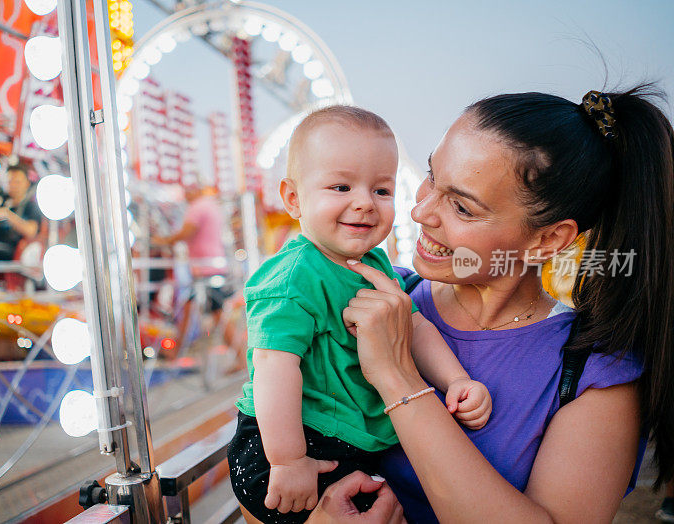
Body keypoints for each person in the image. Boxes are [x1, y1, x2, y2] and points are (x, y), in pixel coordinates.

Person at [308, 86, 674, 522]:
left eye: (461, 207)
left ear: (547, 240)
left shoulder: (595, 374)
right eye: (431, 175)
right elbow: (261, 472)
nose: (421, 211)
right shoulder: (373, 298)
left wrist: (397, 377)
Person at [229, 106, 492, 523]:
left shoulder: (376, 264)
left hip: (347, 441)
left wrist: (455, 379)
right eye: (340, 186)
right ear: (293, 198)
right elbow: (273, 368)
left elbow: (412, 325)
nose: (365, 203)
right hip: (292, 440)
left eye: (382, 191)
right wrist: (288, 460)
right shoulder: (293, 278)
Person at [152, 185, 229, 348]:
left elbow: (188, 231)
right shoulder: (210, 205)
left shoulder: (198, 207)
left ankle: (178, 350)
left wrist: (164, 240)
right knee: (200, 309)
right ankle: (179, 350)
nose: (184, 194)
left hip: (205, 268)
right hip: (210, 265)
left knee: (216, 313)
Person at [0, 163, 42, 262]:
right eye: (10, 181)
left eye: (17, 182)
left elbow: (31, 231)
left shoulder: (31, 206)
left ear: (27, 183)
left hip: (12, 252)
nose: (13, 185)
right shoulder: (1, 200)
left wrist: (7, 215)